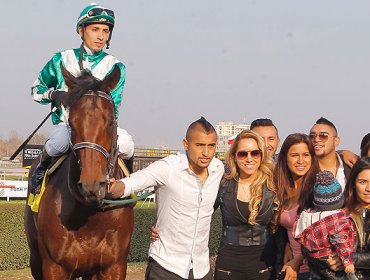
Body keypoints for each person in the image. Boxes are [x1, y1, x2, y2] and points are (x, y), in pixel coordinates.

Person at [30, 3, 134, 192]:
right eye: (95, 29)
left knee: (127, 144)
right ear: (81, 30)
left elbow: (114, 105)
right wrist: (53, 94)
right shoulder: (61, 59)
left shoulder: (115, 66)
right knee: (59, 142)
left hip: (101, 128)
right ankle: (40, 170)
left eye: (105, 31)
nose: (101, 36)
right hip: (69, 126)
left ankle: (130, 182)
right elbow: (36, 89)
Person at [109, 117, 224, 280]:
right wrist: (111, 188)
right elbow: (132, 183)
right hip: (166, 268)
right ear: (186, 144)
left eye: (211, 146)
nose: (206, 152)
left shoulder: (218, 168)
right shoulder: (168, 167)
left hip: (201, 269)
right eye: (199, 145)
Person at [213, 130, 277, 280]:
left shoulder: (273, 185)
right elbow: (199, 213)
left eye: (254, 153)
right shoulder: (223, 185)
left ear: (261, 156)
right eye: (243, 154)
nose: (249, 159)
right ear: (234, 156)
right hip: (228, 266)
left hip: (264, 266)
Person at [293, 171, 358, 280]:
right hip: (335, 265)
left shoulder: (308, 216)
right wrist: (348, 262)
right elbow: (341, 242)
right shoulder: (338, 220)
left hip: (315, 262)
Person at [273, 133, 319, 280]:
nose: (300, 160)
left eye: (306, 154)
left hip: (314, 270)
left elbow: (325, 236)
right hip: (291, 269)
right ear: (285, 158)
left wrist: (298, 260)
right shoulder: (281, 189)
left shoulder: (319, 190)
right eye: (294, 155)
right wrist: (287, 244)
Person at [339, 156, 370, 279]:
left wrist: (347, 259)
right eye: (363, 182)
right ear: (353, 184)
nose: (368, 189)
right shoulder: (340, 215)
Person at [309, 117, 352, 191]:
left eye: (323, 136)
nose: (316, 139)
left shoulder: (351, 166)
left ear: (336, 141)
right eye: (312, 136)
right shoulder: (305, 169)